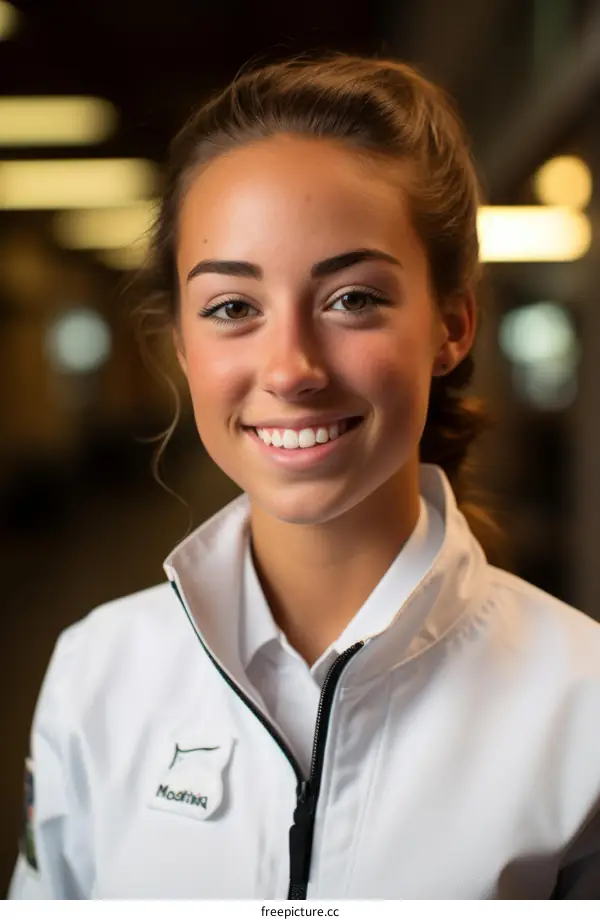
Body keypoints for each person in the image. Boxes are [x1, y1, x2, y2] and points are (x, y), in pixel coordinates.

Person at [9, 52, 600, 900]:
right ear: (181, 344)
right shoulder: (98, 672)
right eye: (232, 309)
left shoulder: (581, 707)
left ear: (452, 325)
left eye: (352, 299)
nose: (290, 369)